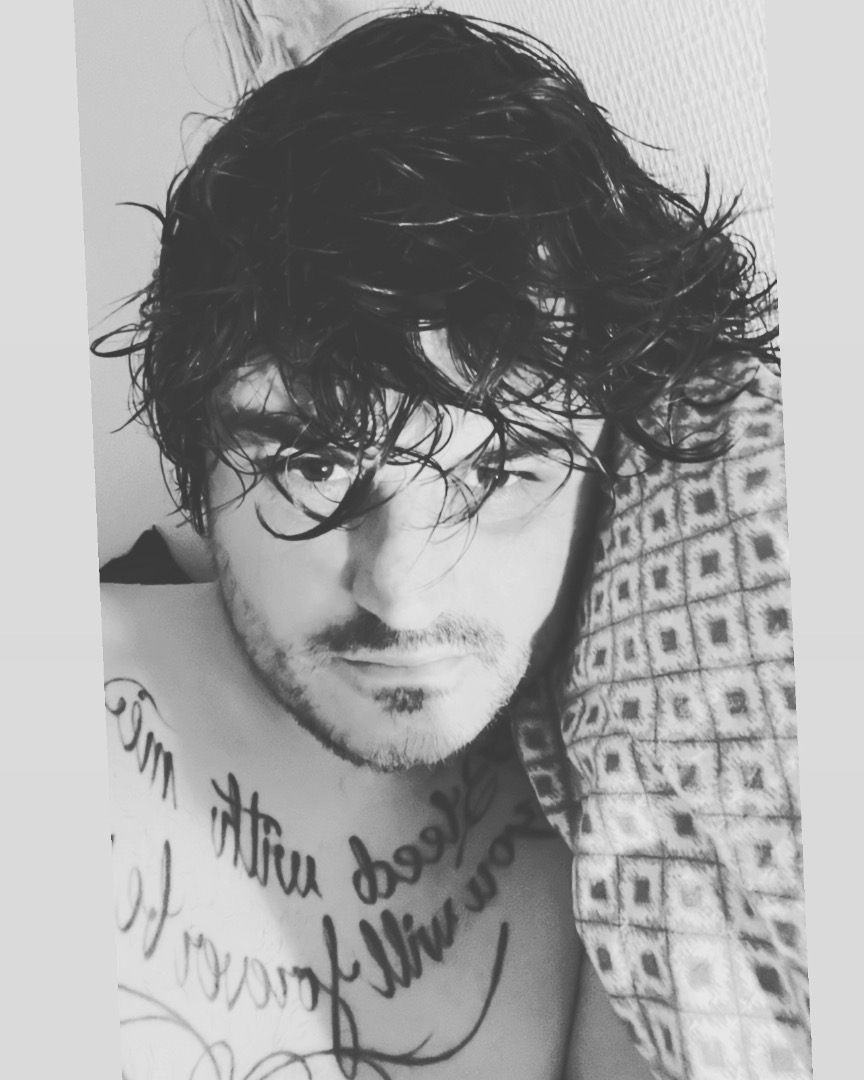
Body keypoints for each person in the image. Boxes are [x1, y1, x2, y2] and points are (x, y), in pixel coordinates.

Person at [95, 9, 790, 1079]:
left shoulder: (637, 826)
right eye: (313, 467)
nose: (402, 589)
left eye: (498, 474)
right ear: (201, 458)